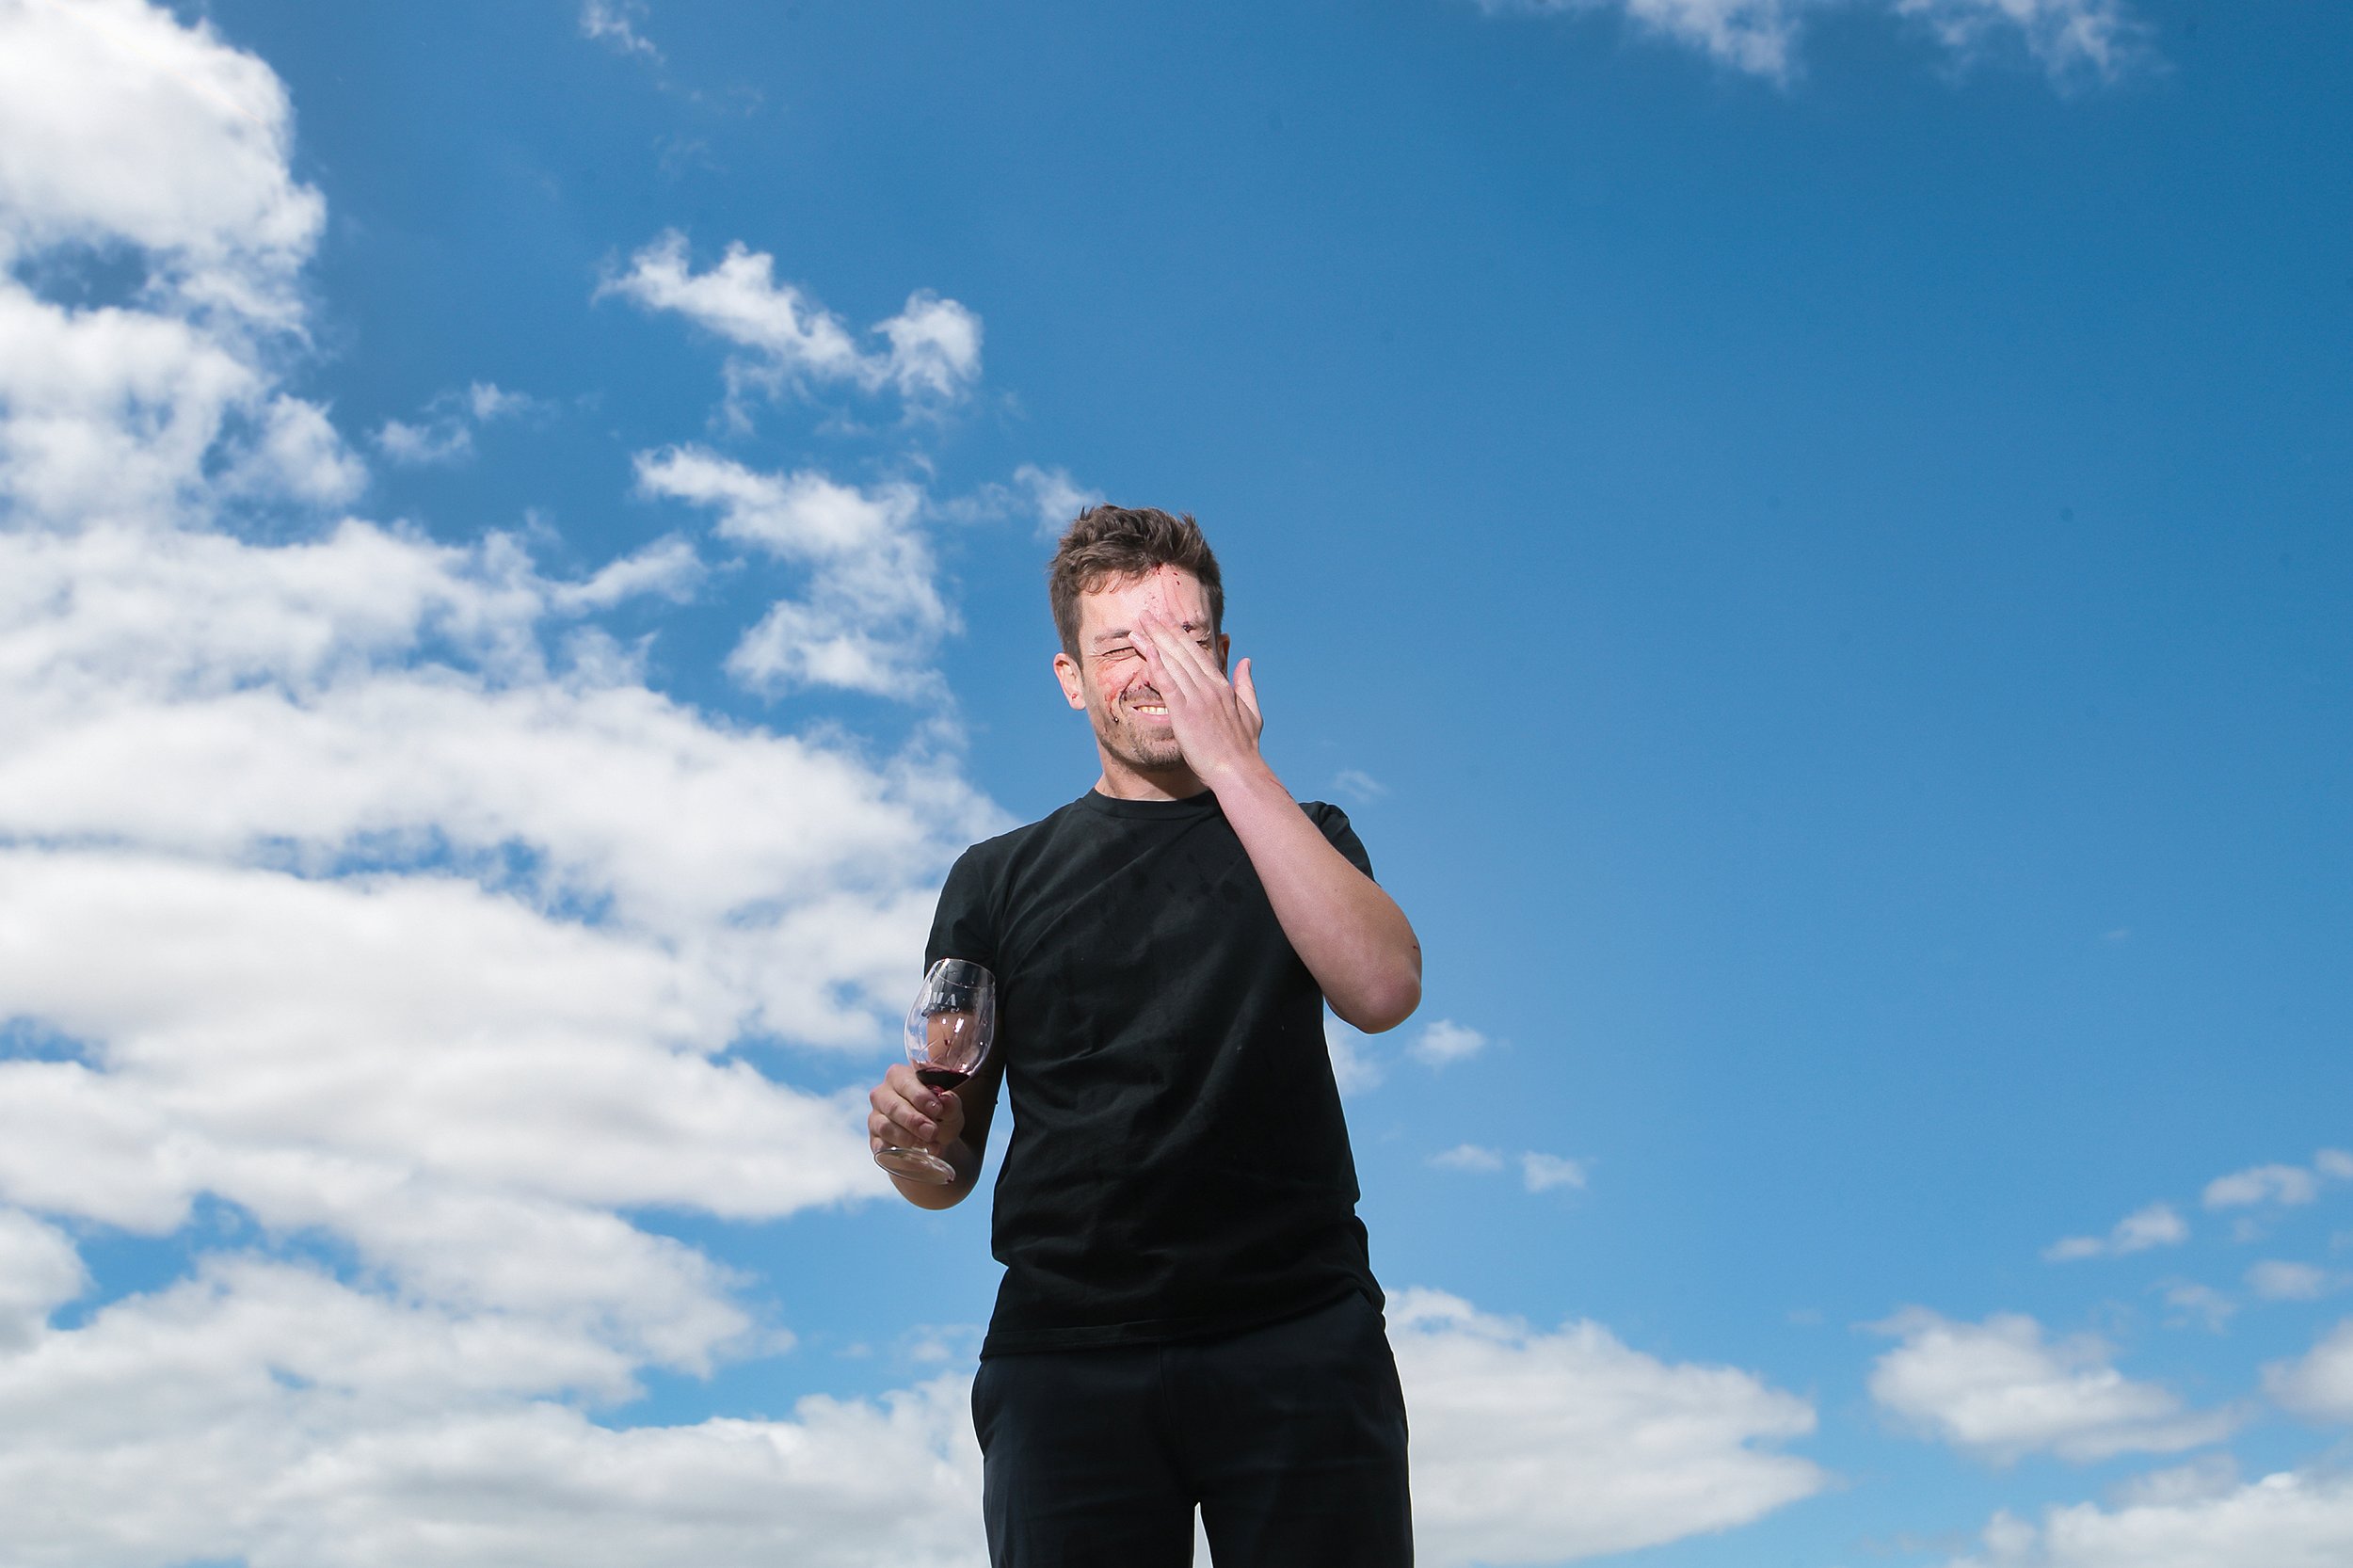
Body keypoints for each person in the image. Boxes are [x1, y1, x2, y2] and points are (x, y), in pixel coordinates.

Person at [868, 505, 1421, 1567]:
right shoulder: (995, 877)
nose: (1157, 668)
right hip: (1066, 1360)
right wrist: (910, 1144)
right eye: (1123, 644)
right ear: (1073, 678)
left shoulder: (1306, 834)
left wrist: (1238, 769)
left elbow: (1384, 987)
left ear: (1224, 656)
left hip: (1299, 1338)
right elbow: (948, 1157)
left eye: (1186, 641)